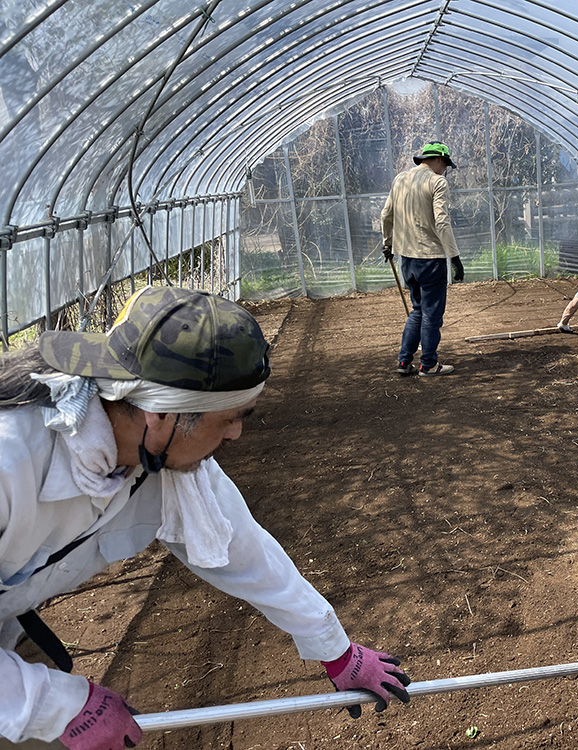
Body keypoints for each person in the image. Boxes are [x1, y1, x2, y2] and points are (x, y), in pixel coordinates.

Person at [0, 286, 410, 749]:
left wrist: (337, 651)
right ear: (161, 415)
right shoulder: (9, 461)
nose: (236, 433)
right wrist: (53, 704)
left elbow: (241, 546)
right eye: (231, 418)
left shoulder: (163, 456)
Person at [381, 141, 464, 377]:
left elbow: (386, 214)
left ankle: (403, 362)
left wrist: (387, 243)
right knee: (431, 314)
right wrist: (455, 257)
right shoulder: (437, 181)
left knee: (417, 310)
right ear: (439, 160)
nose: (445, 169)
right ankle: (428, 365)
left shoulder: (401, 179)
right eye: (446, 164)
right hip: (430, 259)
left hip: (406, 258)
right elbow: (442, 221)